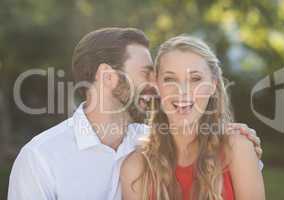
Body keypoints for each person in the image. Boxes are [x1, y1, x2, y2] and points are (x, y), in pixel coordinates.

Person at [8, 28, 262, 200]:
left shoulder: (152, 140)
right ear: (108, 76)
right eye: (146, 74)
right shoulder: (41, 158)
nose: (155, 85)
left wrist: (236, 136)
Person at [120, 36, 265, 200]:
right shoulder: (136, 168)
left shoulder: (237, 148)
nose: (182, 91)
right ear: (156, 86)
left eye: (195, 79)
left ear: (212, 85)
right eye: (170, 79)